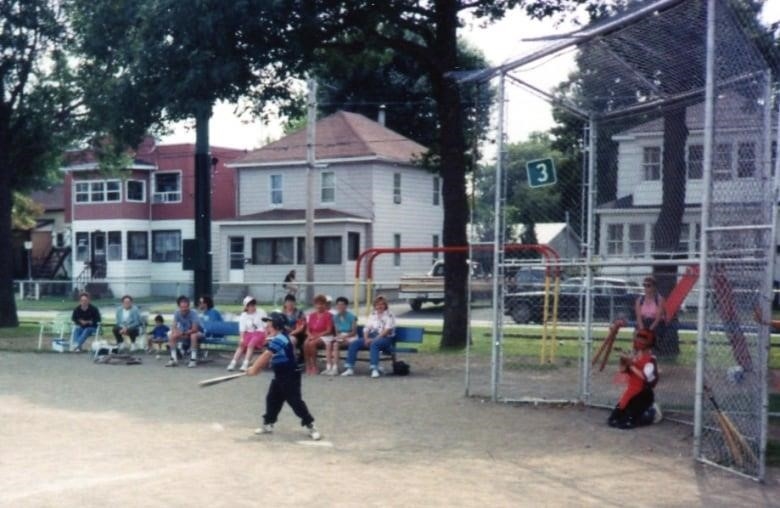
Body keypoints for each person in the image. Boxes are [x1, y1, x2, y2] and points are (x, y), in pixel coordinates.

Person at [248, 312, 321, 440]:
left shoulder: (281, 338)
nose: (267, 328)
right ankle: (268, 424)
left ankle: (310, 425)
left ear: (277, 325)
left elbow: (266, 355)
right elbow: (269, 358)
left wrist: (255, 368)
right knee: (272, 399)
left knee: (295, 402)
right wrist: (257, 368)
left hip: (290, 375)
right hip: (279, 374)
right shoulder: (275, 339)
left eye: (269, 325)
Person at [608, 329, 662, 429]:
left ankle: (652, 412)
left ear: (649, 343)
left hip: (643, 393)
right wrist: (623, 361)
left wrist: (631, 364)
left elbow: (645, 377)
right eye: (638, 338)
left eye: (643, 339)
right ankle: (636, 413)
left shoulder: (651, 359)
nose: (639, 341)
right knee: (613, 420)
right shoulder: (634, 356)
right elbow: (623, 370)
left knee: (627, 422)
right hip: (631, 391)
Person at [342, 295, 396, 378]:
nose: (380, 306)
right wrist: (366, 338)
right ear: (375, 306)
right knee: (354, 343)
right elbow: (367, 328)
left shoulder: (390, 315)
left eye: (382, 304)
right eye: (377, 304)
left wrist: (374, 339)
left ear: (385, 305)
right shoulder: (373, 315)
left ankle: (374, 369)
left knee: (374, 344)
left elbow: (387, 330)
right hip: (371, 336)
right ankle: (349, 368)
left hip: (386, 338)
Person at [227, 296, 268, 372]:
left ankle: (245, 364)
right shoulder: (244, 315)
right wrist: (242, 338)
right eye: (250, 305)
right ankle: (233, 363)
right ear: (246, 306)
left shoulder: (261, 312)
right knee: (242, 344)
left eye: (253, 304)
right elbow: (242, 329)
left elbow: (265, 326)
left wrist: (266, 337)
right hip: (249, 333)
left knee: (251, 344)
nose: (252, 306)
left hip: (260, 333)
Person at [166, 296, 203, 368]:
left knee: (193, 335)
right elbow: (174, 325)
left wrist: (183, 333)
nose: (184, 309)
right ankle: (173, 359)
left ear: (188, 306)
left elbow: (195, 329)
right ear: (179, 307)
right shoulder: (177, 313)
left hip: (198, 333)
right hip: (184, 333)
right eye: (182, 307)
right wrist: (175, 332)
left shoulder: (193, 313)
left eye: (186, 307)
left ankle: (193, 360)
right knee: (171, 335)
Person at [303, 294, 335, 375]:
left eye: (322, 304)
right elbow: (307, 330)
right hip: (313, 335)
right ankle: (308, 365)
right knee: (306, 343)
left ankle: (314, 366)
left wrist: (317, 336)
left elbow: (329, 330)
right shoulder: (311, 315)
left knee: (312, 343)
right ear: (315, 305)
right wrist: (309, 335)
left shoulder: (329, 315)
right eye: (317, 304)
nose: (319, 306)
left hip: (326, 336)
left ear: (325, 305)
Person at [330, 296, 358, 375]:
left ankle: (346, 367)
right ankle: (334, 367)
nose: (340, 307)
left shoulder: (352, 317)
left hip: (351, 336)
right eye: (338, 305)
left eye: (342, 305)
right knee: (334, 344)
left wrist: (345, 337)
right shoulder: (335, 317)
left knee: (338, 344)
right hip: (341, 337)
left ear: (346, 306)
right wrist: (339, 337)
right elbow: (337, 332)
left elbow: (354, 332)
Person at [281, 294, 307, 362]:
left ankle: (292, 362)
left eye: (291, 302)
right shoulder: (282, 314)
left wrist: (291, 333)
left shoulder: (299, 313)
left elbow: (301, 327)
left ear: (294, 303)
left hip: (297, 335)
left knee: (291, 341)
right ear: (285, 303)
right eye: (288, 302)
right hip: (284, 334)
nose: (290, 304)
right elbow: (279, 326)